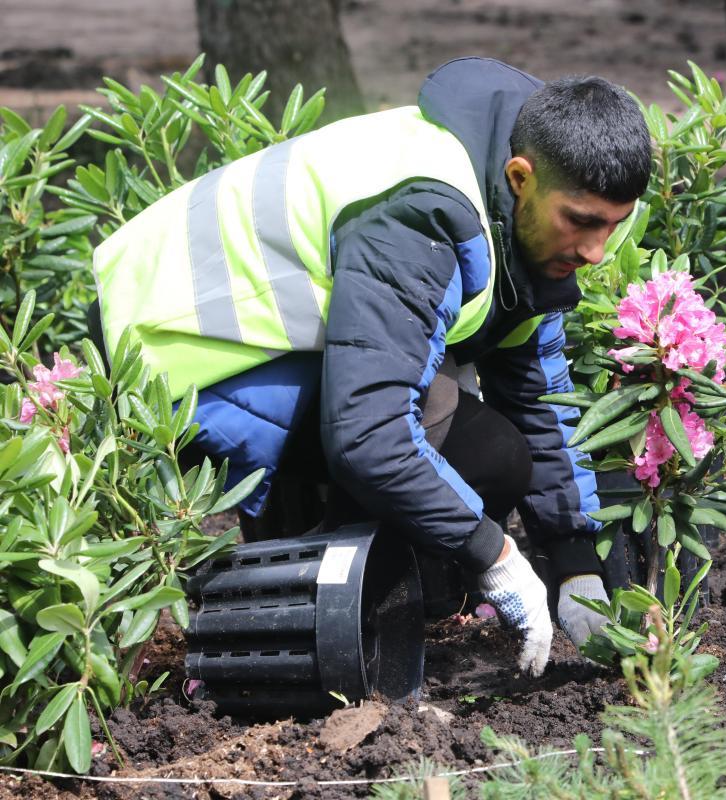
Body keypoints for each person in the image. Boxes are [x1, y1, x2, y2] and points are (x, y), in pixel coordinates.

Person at [90, 57, 653, 677]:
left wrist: (575, 565)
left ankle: (359, 562)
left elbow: (538, 397)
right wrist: (495, 556)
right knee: (476, 451)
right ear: (521, 177)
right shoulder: (426, 213)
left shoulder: (520, 205)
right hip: (176, 359)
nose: (597, 252)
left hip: (255, 342)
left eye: (613, 226)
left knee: (478, 437)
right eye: (582, 222)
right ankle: (321, 588)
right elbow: (367, 434)